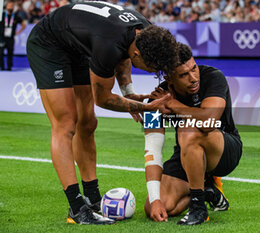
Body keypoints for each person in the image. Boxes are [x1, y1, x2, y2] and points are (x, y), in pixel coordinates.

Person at [26, 1, 178, 225]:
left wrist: (129, 92)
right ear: (139, 53)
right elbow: (103, 98)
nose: (154, 73)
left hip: (78, 43)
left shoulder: (145, 32)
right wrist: (144, 107)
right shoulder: (110, 44)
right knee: (66, 123)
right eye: (152, 68)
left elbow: (125, 57)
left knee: (87, 123)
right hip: (49, 43)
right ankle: (77, 209)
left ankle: (92, 198)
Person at [143, 43, 242, 225]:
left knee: (190, 128)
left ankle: (198, 208)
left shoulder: (213, 77)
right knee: (156, 207)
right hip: (186, 153)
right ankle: (207, 191)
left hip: (224, 150)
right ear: (169, 78)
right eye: (183, 75)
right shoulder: (155, 100)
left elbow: (208, 120)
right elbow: (152, 150)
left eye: (194, 68)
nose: (193, 78)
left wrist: (174, 106)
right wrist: (156, 198)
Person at [0, 0, 26, 71]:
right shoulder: (2, 15)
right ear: (6, 6)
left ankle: (9, 67)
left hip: (11, 38)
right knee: (1, 52)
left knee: (10, 53)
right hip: (2, 37)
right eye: (9, 6)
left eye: (12, 6)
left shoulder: (15, 16)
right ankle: (2, 67)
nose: (10, 7)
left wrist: (18, 32)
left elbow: (23, 24)